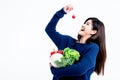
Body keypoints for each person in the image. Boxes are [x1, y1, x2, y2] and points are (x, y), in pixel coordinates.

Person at [45, 4, 107, 80]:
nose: (83, 25)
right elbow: (49, 30)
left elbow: (80, 69)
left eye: (87, 24)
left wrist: (55, 71)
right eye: (84, 23)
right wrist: (61, 12)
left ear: (93, 31)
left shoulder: (92, 48)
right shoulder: (67, 41)